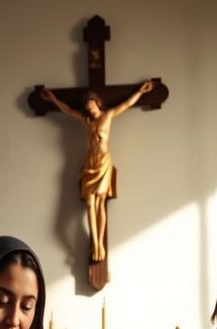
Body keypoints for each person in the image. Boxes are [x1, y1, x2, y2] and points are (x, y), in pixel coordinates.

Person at [41, 81, 154, 262]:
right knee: (89, 204)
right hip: (89, 164)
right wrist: (53, 99)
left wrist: (141, 91)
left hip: (103, 164)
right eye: (87, 108)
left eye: (92, 106)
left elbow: (126, 104)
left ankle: (99, 243)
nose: (90, 110)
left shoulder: (108, 116)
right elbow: (68, 111)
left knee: (100, 203)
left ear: (97, 103)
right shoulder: (87, 121)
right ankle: (95, 243)